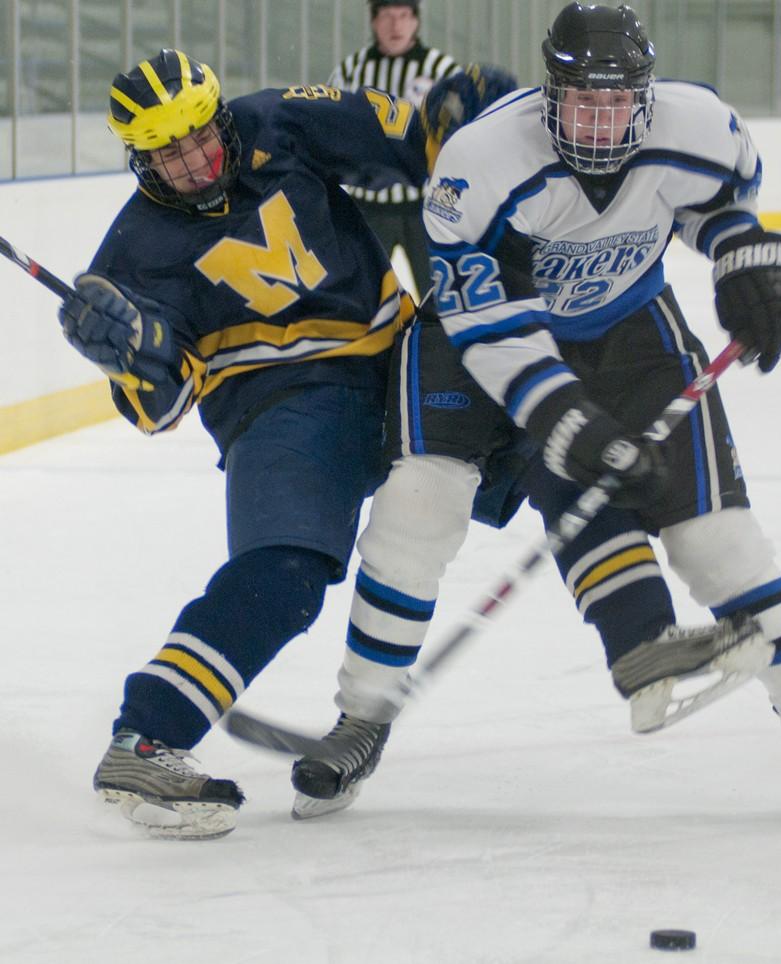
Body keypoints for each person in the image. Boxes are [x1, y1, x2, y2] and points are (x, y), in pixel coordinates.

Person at [290, 2, 781, 818]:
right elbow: (490, 325)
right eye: (581, 102)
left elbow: (718, 202)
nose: (601, 123)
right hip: (475, 337)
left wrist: (742, 257)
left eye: (616, 103)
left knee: (720, 542)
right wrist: (565, 417)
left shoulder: (697, 124)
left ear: (644, 96)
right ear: (549, 92)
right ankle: (360, 719)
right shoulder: (482, 162)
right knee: (415, 511)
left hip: (627, 332)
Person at [55, 48, 458, 839]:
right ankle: (148, 737)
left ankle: (677, 620)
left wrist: (469, 121)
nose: (195, 161)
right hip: (284, 406)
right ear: (138, 156)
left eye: (201, 135)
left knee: (563, 455)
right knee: (283, 575)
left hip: (399, 358)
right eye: (167, 152)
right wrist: (131, 350)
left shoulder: (282, 118)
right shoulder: (132, 253)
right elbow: (157, 408)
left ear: (219, 116)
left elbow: (417, 142)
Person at [329, 0, 460, 299]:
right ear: (374, 22)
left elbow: (462, 133)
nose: (395, 26)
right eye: (387, 16)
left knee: (440, 297)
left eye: (403, 16)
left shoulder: (442, 70)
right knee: (363, 296)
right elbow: (332, 128)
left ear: (416, 21)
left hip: (428, 206)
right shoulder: (352, 70)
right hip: (367, 207)